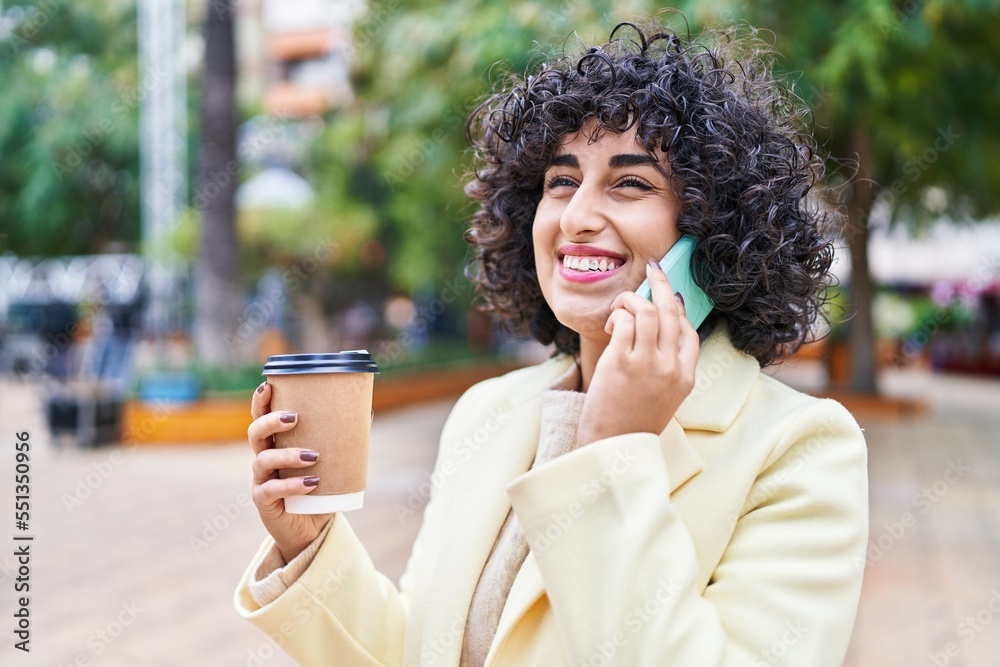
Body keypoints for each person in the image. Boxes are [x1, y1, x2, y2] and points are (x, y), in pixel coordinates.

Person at [235, 19, 868, 667]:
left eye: (630, 183)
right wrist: (308, 545)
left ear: (714, 233)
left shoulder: (800, 449)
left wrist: (616, 448)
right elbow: (423, 650)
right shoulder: (489, 412)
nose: (576, 216)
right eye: (561, 181)